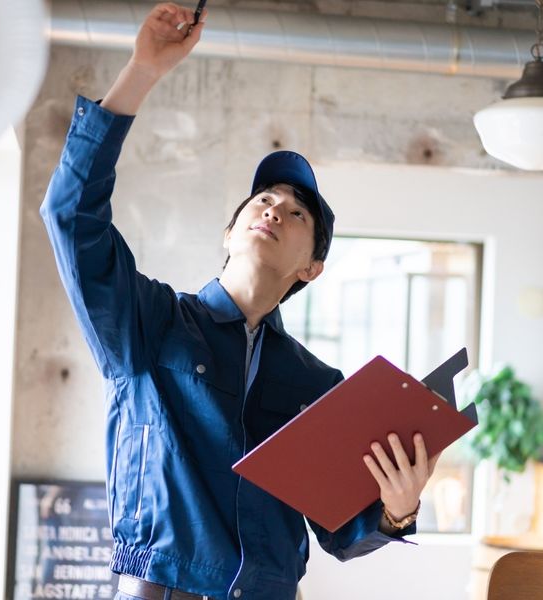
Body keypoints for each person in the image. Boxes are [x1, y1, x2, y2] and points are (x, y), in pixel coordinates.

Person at [40, 3, 440, 600]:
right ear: (230, 234)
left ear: (311, 268)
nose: (275, 207)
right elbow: (71, 216)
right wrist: (142, 70)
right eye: (263, 201)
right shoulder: (150, 323)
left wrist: (398, 511)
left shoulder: (317, 384)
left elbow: (342, 531)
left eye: (296, 211)